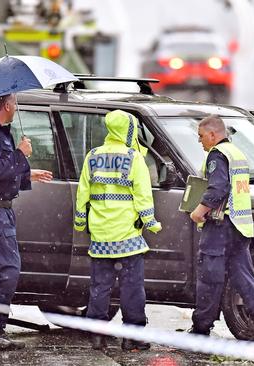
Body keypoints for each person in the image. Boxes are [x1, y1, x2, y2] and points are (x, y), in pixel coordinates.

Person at [0, 94, 53, 350]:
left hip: (1, 210)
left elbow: (3, 171)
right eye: (14, 103)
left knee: (6, 269)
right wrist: (20, 154)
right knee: (6, 269)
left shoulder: (1, 131)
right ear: (6, 106)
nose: (16, 107)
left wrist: (27, 173)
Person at [74, 109, 162, 351]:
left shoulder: (92, 156)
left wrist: (81, 222)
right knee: (132, 288)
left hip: (101, 235)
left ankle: (97, 336)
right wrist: (152, 223)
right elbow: (143, 196)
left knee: (100, 287)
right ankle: (132, 337)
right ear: (128, 130)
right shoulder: (134, 158)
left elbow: (82, 193)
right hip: (128, 236)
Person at [188, 114, 254, 343]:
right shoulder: (237, 153)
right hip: (240, 226)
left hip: (220, 224)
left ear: (212, 134)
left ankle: (201, 329)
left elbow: (218, 189)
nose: (200, 141)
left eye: (201, 136)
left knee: (209, 277)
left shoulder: (217, 155)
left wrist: (199, 211)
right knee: (244, 276)